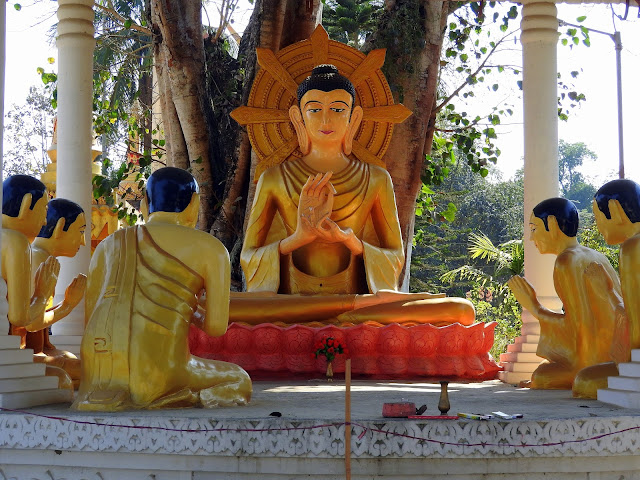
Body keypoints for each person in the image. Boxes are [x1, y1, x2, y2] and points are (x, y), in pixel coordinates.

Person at [233, 64, 474, 326]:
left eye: (337, 109)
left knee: (460, 310)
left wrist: (350, 241)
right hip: (293, 302)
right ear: (298, 117)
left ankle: (345, 314)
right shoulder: (275, 178)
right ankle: (347, 320)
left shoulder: (376, 178)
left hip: (355, 300)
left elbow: (394, 254)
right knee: (219, 308)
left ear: (354, 117)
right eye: (314, 110)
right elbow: (249, 256)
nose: (326, 120)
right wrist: (298, 238)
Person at [73, 167, 251, 411]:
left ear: (145, 203)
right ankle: (175, 395)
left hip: (98, 370)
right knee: (239, 378)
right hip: (160, 370)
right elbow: (216, 328)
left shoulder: (109, 244)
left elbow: (89, 316)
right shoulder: (211, 248)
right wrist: (191, 309)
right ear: (194, 204)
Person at [508, 198, 621, 398]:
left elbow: (580, 329)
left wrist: (534, 307)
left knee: (543, 376)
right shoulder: (595, 255)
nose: (532, 239)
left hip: (595, 359)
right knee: (544, 373)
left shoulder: (566, 261)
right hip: (613, 354)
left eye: (534, 229)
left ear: (551, 224)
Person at [2, 175, 73, 391]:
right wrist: (43, 295)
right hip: (5, 360)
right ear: (26, 206)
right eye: (43, 212)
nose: (44, 222)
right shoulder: (15, 242)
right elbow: (21, 318)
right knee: (64, 381)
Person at [12, 198, 87, 387]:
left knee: (72, 360)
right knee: (92, 370)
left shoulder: (42, 256)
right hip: (20, 352)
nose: (84, 241)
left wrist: (65, 304)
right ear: (61, 226)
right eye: (81, 231)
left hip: (34, 350)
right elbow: (31, 323)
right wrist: (68, 306)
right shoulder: (37, 258)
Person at [592, 179, 640, 356]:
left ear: (615, 210)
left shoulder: (632, 247)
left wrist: (607, 291)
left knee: (585, 380)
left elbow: (636, 330)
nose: (598, 227)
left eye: (598, 218)